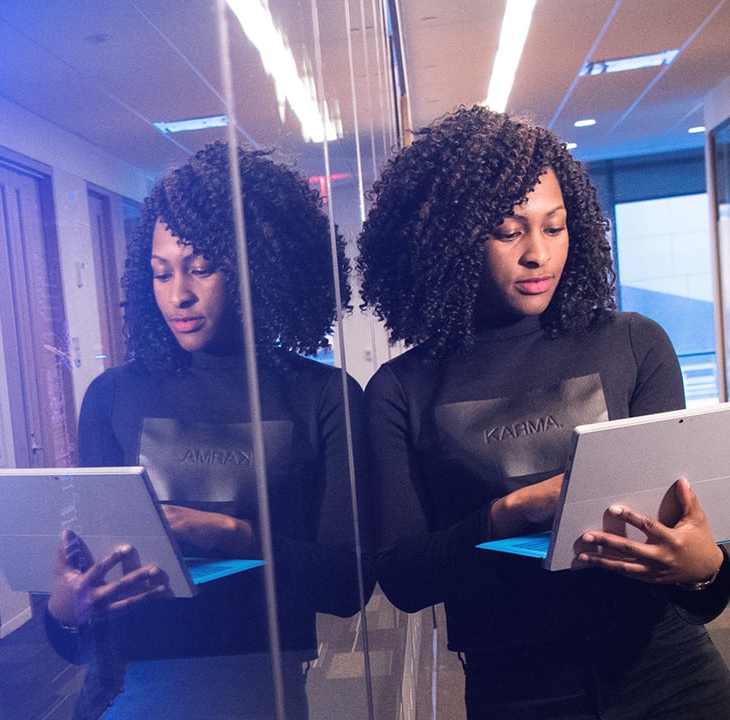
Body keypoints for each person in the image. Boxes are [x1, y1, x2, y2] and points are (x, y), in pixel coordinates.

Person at [357, 105, 730, 719]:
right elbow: (402, 577)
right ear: (450, 243)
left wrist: (704, 568)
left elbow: (695, 556)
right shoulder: (402, 389)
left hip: (669, 670)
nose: (538, 253)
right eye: (509, 231)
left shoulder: (635, 343)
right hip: (519, 688)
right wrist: (508, 513)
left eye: (553, 227)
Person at [44, 141, 374, 719]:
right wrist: (66, 608)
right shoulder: (113, 398)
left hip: (259, 690)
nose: (180, 295)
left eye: (201, 268)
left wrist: (230, 535)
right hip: (129, 694)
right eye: (161, 273)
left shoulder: (322, 395)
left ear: (257, 268)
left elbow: (348, 587)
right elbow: (77, 633)